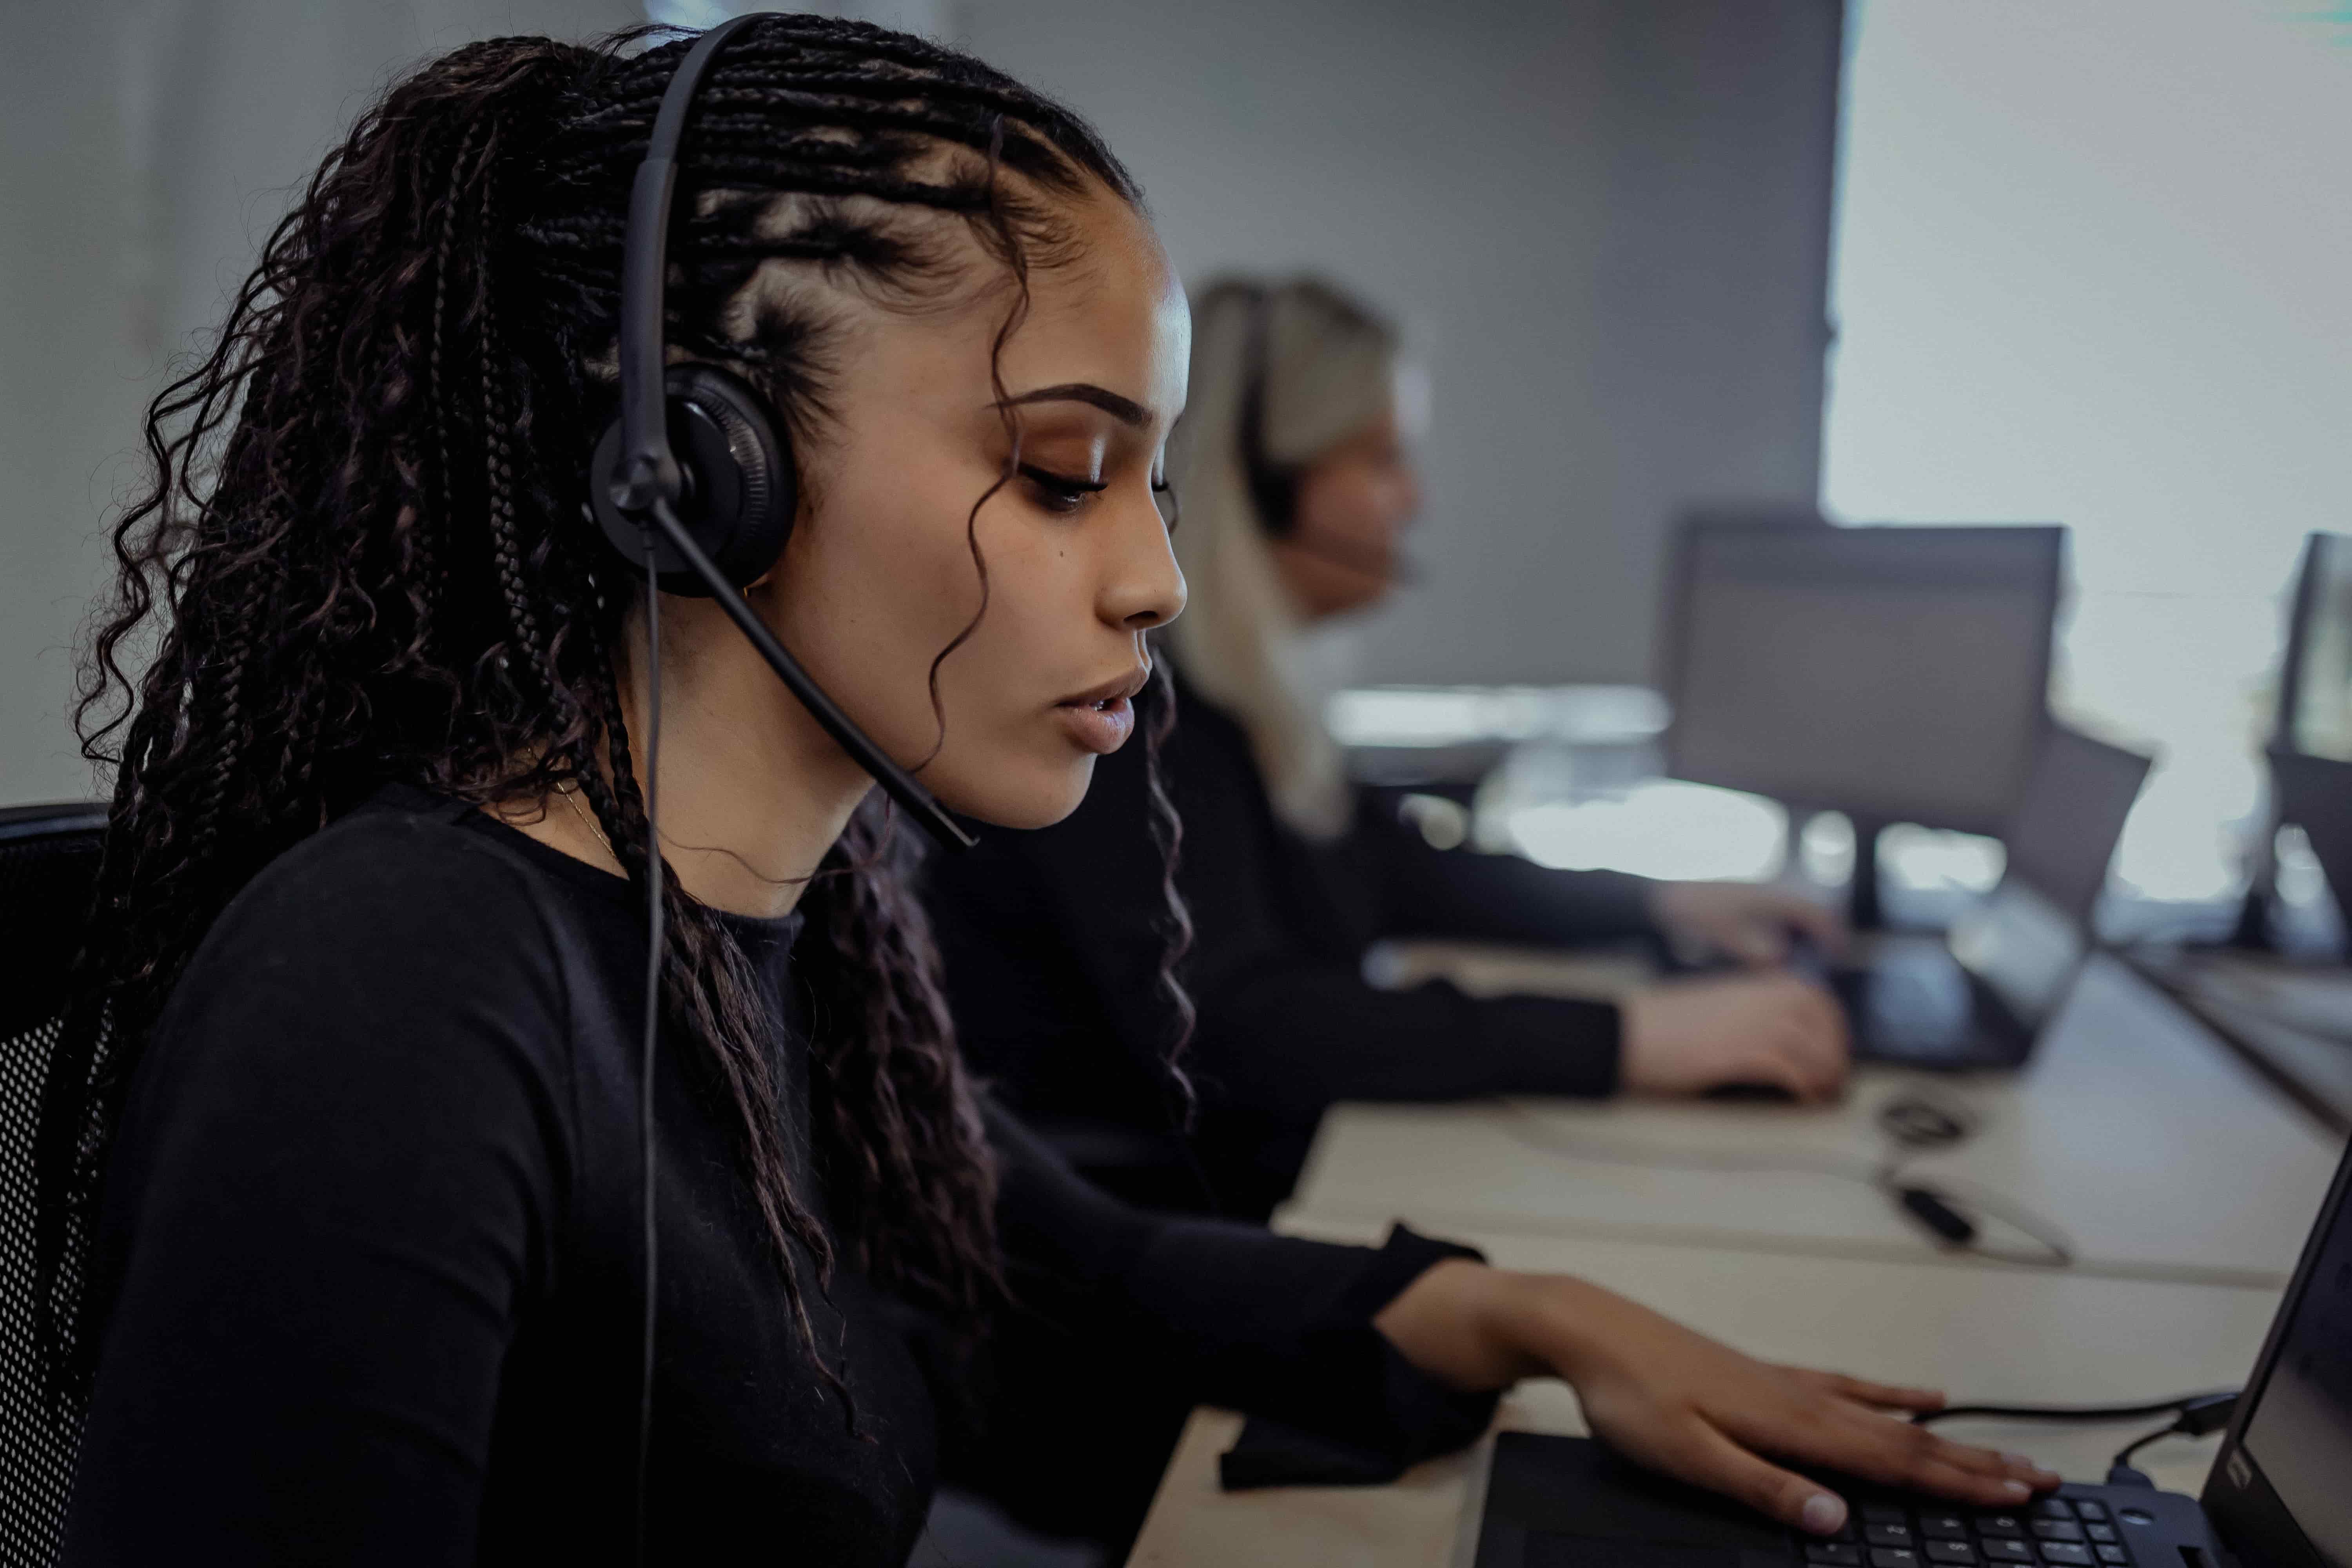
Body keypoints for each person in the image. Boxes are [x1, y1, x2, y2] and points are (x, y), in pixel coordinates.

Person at [42, 21, 2053, 1566]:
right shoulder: (404, 981)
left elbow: (1054, 1252)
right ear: (694, 462)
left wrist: (1527, 1309)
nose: (1160, 580)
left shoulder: (791, 923)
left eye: (1154, 484)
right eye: (1062, 469)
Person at [926, 276, 1852, 1218]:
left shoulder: (1244, 701)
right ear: (1270, 482)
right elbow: (1240, 1022)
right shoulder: (1130, 713)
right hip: (1151, 1240)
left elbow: (1396, 864)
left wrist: (1660, 901)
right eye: (1380, 459)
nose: (1411, 499)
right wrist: (1630, 1038)